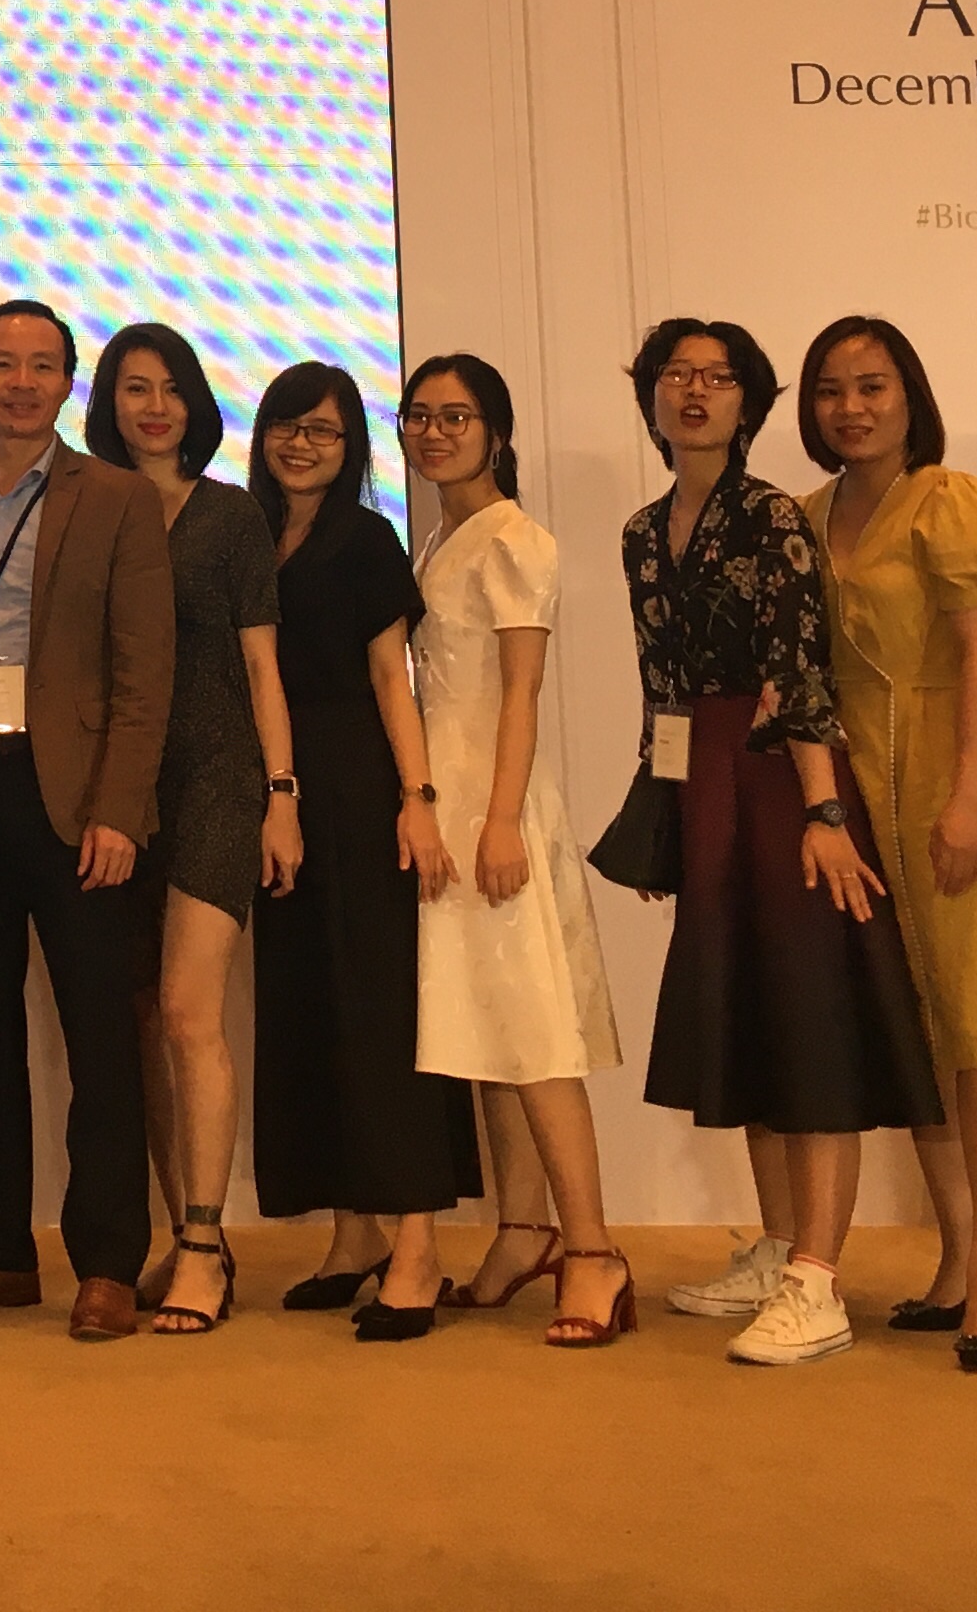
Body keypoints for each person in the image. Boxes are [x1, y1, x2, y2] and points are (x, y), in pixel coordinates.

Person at [624, 316, 943, 1367]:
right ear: (654, 397)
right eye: (678, 375)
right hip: (706, 782)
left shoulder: (771, 519)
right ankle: (776, 1251)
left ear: (750, 403)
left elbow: (800, 671)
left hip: (781, 778)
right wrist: (664, 813)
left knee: (810, 1019)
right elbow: (661, 689)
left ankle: (818, 1279)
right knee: (749, 1015)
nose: (695, 392)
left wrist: (824, 813)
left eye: (718, 378)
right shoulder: (642, 531)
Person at [799, 315, 977, 1374]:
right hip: (860, 790)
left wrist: (968, 799)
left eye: (872, 385)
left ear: (909, 395)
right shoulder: (808, 514)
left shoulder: (948, 500)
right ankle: (960, 1257)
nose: (852, 408)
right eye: (831, 389)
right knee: (922, 1028)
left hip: (959, 772)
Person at [0, 298, 177, 1340]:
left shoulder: (116, 496)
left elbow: (145, 669)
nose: (20, 383)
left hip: (77, 798)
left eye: (41, 366)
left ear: (68, 384)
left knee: (100, 1039)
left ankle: (107, 1261)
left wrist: (120, 810)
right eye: (1, 364)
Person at [396, 354, 633, 1350]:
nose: (435, 432)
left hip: (495, 803)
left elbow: (522, 691)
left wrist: (498, 820)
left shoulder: (513, 539)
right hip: (446, 802)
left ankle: (594, 1250)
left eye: (457, 416)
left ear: (496, 430)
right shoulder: (441, 538)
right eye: (420, 415)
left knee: (534, 1032)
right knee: (486, 1029)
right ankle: (524, 1229)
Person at [242, 360, 480, 1338]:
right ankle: (355, 1234)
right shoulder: (251, 535)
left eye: (324, 431)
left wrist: (416, 801)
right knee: (310, 1009)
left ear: (351, 449)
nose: (301, 445)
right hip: (278, 792)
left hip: (356, 783)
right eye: (287, 426)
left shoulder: (366, 538)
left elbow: (392, 676)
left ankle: (418, 1245)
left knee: (383, 1017)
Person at [85, 320, 293, 1336]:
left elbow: (262, 664)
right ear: (109, 404)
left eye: (171, 387)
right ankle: (185, 1232)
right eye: (135, 388)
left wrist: (283, 793)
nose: (154, 406)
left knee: (186, 1012)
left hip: (219, 779)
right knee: (139, 1019)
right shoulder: (92, 510)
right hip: (119, 791)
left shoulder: (230, 515)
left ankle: (206, 1244)